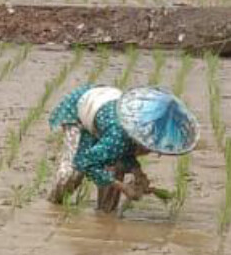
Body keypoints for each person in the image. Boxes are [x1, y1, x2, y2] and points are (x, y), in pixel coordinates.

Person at [45, 84, 199, 213]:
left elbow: (125, 153)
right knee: (73, 172)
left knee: (114, 164)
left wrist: (137, 172)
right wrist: (123, 187)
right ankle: (54, 204)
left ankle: (105, 213)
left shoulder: (143, 128)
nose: (151, 151)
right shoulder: (119, 135)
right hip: (79, 107)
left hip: (106, 111)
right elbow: (87, 163)